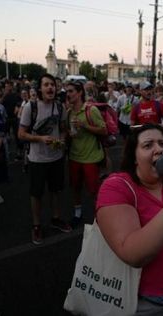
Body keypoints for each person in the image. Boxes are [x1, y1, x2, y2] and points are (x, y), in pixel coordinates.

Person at [96, 124, 163, 314]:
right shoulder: (116, 187)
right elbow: (132, 253)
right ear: (134, 158)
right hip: (138, 301)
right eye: (148, 145)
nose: (158, 149)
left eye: (162, 143)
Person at [18, 74, 71, 245]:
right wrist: (40, 139)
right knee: (36, 193)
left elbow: (62, 128)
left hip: (56, 157)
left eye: (53, 85)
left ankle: (55, 219)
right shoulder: (30, 107)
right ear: (39, 88)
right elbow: (21, 134)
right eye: (46, 85)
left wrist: (62, 139)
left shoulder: (60, 107)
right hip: (37, 159)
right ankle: (36, 225)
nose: (50, 88)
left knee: (56, 190)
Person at [66, 81, 107, 227]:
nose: (68, 94)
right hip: (74, 156)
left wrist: (84, 125)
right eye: (67, 92)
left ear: (79, 93)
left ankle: (100, 217)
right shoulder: (69, 112)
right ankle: (77, 214)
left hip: (90, 158)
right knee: (76, 187)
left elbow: (104, 130)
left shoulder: (91, 110)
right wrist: (68, 135)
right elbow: (68, 133)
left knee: (93, 190)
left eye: (71, 91)